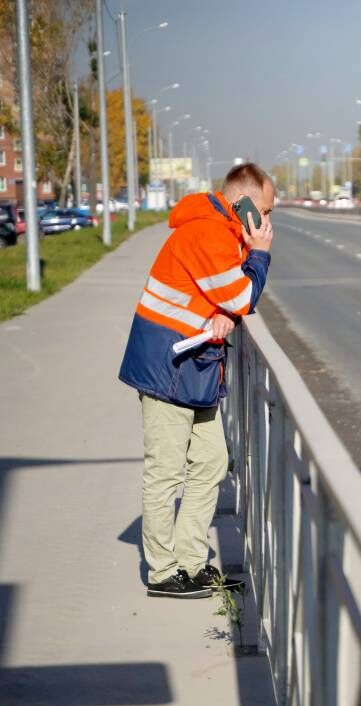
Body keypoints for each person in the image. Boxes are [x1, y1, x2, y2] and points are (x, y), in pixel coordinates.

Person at [118, 164, 274, 598]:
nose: (267, 222)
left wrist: (226, 308)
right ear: (242, 206)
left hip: (195, 366)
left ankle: (191, 561)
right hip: (167, 367)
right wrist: (259, 254)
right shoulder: (207, 233)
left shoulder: (221, 233)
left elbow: (230, 298)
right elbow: (243, 296)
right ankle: (163, 572)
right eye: (264, 211)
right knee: (165, 471)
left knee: (209, 461)